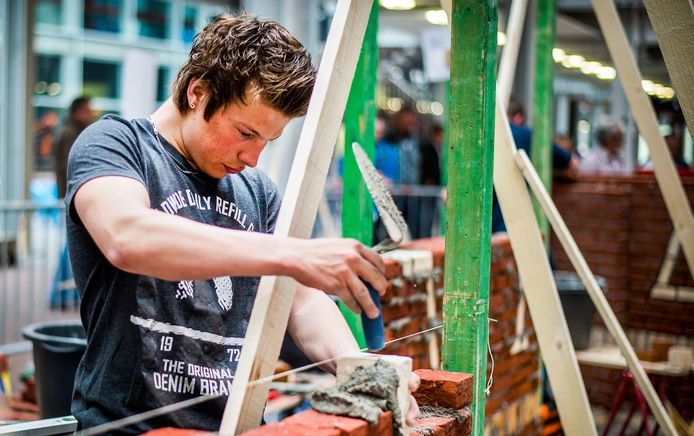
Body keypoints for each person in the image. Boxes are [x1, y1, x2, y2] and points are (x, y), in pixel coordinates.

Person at [66, 15, 418, 433]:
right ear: (197, 92)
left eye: (266, 142)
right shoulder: (116, 145)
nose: (252, 158)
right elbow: (127, 236)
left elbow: (301, 301)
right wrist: (292, 253)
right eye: (245, 132)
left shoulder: (257, 192)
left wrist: (357, 368)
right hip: (126, 428)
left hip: (237, 426)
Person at [491, 97, 578, 233]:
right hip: (518, 225)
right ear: (519, 118)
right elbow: (572, 164)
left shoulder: (483, 136)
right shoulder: (526, 136)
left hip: (486, 227)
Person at [54, 96, 94, 198]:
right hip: (73, 193)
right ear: (78, 111)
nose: (91, 114)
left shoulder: (73, 131)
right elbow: (71, 165)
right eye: (87, 110)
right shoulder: (71, 133)